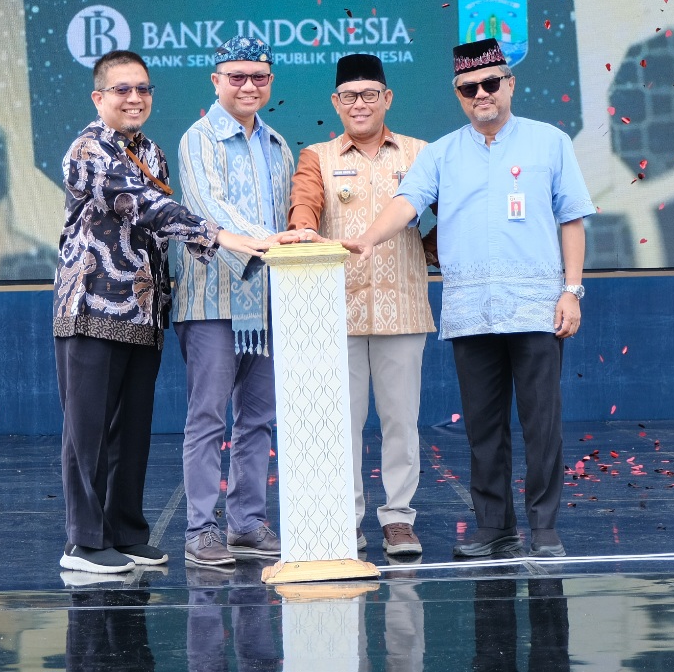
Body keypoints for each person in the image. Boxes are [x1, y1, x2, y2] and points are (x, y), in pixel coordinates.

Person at [343, 39, 595, 559]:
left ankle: (544, 528)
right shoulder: (441, 153)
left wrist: (571, 291)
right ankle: (493, 525)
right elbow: (408, 202)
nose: (481, 94)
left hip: (536, 308)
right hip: (471, 312)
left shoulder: (550, 142)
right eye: (468, 88)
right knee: (483, 428)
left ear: (510, 84)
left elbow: (572, 218)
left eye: (490, 83)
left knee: (542, 425)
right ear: (458, 94)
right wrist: (368, 239)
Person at [53, 49, 274, 576]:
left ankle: (126, 533)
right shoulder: (87, 148)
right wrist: (226, 238)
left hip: (143, 312)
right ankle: (83, 543)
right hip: (91, 306)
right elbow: (144, 207)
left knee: (132, 430)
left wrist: (237, 249)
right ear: (99, 97)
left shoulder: (150, 151)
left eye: (143, 89)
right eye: (122, 90)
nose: (135, 98)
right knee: (88, 430)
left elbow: (162, 228)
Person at [288, 53, 434, 557]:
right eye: (349, 96)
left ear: (387, 98)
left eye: (370, 94)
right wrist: (303, 229)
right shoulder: (317, 157)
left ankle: (399, 519)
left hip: (404, 308)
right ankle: (343, 521)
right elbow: (304, 205)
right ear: (335, 102)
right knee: (341, 425)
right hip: (337, 313)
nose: (359, 104)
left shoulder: (420, 153)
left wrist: (430, 249)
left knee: (401, 422)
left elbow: (453, 211)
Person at [171, 36, 295, 567]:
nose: (248, 86)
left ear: (270, 82)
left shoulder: (278, 145)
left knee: (258, 419)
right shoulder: (198, 139)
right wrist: (272, 242)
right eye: (237, 76)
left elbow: (288, 214)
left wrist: (291, 239)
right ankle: (201, 529)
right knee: (207, 418)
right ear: (216, 81)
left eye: (258, 77)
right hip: (211, 301)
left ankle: (246, 523)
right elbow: (208, 208)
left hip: (265, 300)